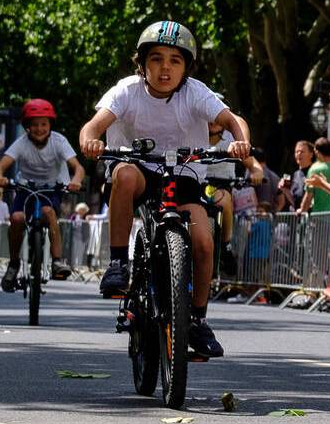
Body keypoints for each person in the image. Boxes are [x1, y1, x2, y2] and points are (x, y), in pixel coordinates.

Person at [78, 20, 250, 359]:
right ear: (142, 64)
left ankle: (197, 320)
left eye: (175, 60)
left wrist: (242, 142)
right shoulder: (126, 91)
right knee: (124, 177)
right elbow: (93, 126)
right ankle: (118, 265)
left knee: (203, 241)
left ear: (186, 67)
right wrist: (89, 141)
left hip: (184, 175)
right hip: (138, 169)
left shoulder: (196, 92)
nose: (165, 68)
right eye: (156, 59)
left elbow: (232, 121)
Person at [0, 98, 86, 289]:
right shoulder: (21, 143)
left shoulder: (59, 141)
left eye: (43, 124)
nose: (39, 128)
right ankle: (13, 263)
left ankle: (57, 261)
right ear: (27, 126)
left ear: (50, 124)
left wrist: (76, 181)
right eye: (34, 124)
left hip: (52, 188)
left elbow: (77, 167)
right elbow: (1, 166)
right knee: (17, 218)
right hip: (26, 187)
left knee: (48, 212)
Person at [302, 138, 330, 214]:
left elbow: (308, 196)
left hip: (319, 217)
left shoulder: (314, 170)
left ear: (317, 152)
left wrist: (302, 210)